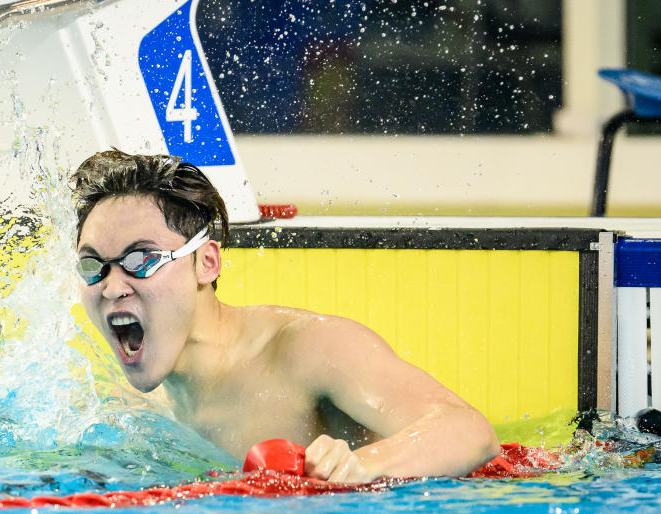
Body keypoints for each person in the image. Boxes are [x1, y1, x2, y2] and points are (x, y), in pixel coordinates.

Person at [71, 150, 500, 483]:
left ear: (206, 262)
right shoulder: (138, 411)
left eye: (141, 259)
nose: (111, 287)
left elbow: (470, 431)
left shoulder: (307, 351)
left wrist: (362, 465)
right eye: (94, 266)